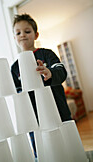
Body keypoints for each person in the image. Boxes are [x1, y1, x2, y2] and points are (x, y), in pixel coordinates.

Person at [11, 13, 71, 158]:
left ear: (36, 35)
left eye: (27, 31)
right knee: (42, 151)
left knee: (67, 145)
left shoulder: (47, 55)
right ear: (14, 38)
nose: (23, 35)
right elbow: (17, 94)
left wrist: (49, 72)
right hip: (34, 118)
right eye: (18, 33)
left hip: (58, 111)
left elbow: (61, 71)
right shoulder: (14, 68)